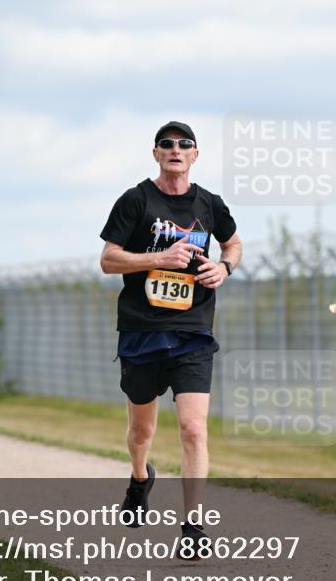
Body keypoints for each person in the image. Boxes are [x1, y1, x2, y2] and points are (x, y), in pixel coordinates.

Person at [99, 121, 242, 558]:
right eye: (167, 144)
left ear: (195, 155)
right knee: (141, 430)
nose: (175, 150)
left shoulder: (210, 203)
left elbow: (233, 243)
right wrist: (159, 257)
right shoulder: (135, 200)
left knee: (194, 429)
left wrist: (225, 268)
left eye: (184, 145)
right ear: (156, 153)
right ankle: (140, 478)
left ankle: (193, 526)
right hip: (143, 330)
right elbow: (108, 260)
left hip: (193, 330)